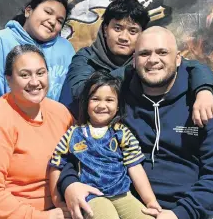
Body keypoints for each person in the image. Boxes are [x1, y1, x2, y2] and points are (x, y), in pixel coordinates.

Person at [58, 27, 213, 219]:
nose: (152, 60)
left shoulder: (202, 102)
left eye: (162, 52)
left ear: (178, 60)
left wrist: (181, 213)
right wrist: (69, 183)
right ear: (133, 61)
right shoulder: (115, 97)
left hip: (190, 209)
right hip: (127, 204)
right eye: (144, 53)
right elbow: (76, 141)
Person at [59, 0, 213, 127]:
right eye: (117, 28)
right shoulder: (86, 58)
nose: (123, 37)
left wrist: (204, 91)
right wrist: (132, 69)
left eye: (133, 31)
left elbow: (193, 66)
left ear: (142, 34)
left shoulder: (147, 58)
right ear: (105, 29)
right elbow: (81, 92)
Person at [0, 45, 73, 219]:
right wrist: (42, 217)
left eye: (40, 73)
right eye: (25, 75)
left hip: (59, 206)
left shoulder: (61, 113)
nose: (34, 81)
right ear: (9, 79)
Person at [49, 71, 162, 219]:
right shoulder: (74, 134)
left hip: (122, 195)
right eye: (95, 99)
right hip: (91, 196)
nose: (102, 105)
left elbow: (135, 167)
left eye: (109, 100)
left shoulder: (122, 133)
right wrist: (57, 200)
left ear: (118, 106)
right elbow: (56, 164)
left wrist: (150, 201)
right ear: (86, 102)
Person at [0, 0, 75, 109]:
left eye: (60, 21)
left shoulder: (65, 48)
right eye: (48, 12)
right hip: (8, 124)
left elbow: (69, 97)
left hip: (53, 124)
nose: (52, 21)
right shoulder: (0, 41)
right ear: (28, 11)